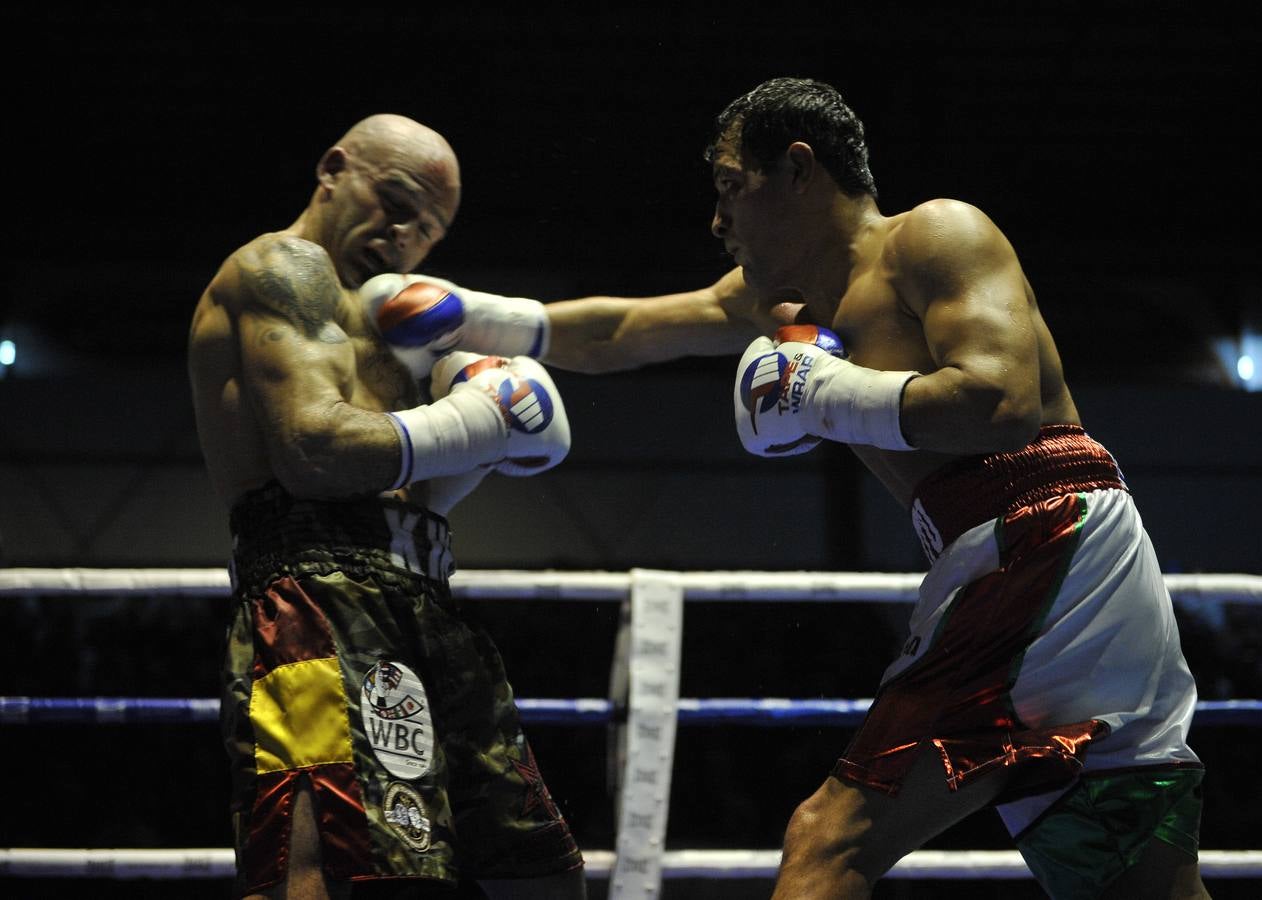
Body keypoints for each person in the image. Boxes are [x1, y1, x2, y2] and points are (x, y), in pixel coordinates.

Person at [426, 77, 1209, 898]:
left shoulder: (933, 236)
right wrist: (472, 315)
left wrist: (822, 390)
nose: (717, 219)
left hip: (1044, 534)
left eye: (733, 185)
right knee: (1133, 881)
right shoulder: (767, 300)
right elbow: (623, 330)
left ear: (798, 169)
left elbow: (1002, 404)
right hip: (1025, 555)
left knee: (828, 840)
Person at [188, 114, 586, 899]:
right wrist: (475, 424)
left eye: (429, 228)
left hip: (428, 597)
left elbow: (604, 333)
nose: (405, 234)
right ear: (333, 167)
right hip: (313, 593)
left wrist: (722, 305)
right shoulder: (282, 269)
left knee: (539, 874)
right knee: (333, 871)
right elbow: (313, 452)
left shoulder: (404, 321)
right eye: (394, 200)